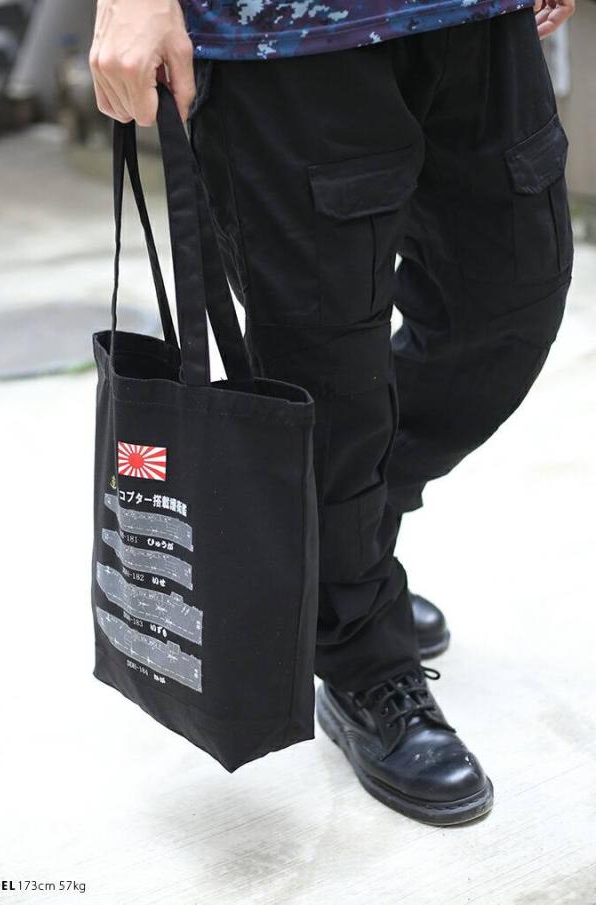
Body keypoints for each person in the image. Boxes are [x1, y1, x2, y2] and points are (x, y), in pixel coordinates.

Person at [89, 0, 575, 825]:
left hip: (472, 15)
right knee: (327, 367)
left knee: (508, 301)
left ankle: (341, 552)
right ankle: (359, 649)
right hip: (279, 36)